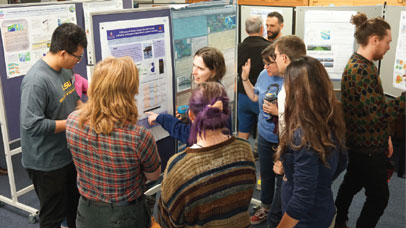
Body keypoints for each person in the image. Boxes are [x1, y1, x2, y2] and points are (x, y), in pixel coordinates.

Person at [66, 56, 161, 228]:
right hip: (125, 216)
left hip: (87, 213)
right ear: (129, 91)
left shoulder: (72, 121)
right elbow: (153, 175)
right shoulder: (138, 136)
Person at [334, 13, 406, 228]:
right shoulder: (360, 71)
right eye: (387, 41)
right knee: (378, 198)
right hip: (366, 148)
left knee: (351, 185)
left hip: (367, 143)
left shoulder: (364, 65)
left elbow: (372, 112)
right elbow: (380, 112)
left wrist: (386, 138)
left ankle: (339, 221)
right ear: (375, 39)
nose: (388, 47)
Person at [158, 82, 256, 228]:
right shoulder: (245, 149)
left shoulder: (179, 167)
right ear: (226, 113)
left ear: (190, 115)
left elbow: (167, 221)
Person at [20, 23, 87, 228]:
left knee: (74, 208)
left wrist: (86, 111)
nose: (78, 61)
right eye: (77, 57)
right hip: (46, 163)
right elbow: (31, 124)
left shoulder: (65, 70)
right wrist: (72, 123)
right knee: (52, 217)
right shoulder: (36, 81)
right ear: (63, 52)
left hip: (67, 154)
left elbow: (74, 100)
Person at [274, 56, 347, 228]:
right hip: (324, 208)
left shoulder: (302, 134)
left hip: (305, 221)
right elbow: (342, 161)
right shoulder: (331, 118)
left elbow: (302, 197)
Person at [146, 47, 228, 144]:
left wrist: (163, 119)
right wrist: (187, 117)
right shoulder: (217, 90)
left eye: (200, 68)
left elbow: (189, 135)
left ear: (213, 72)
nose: (194, 72)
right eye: (194, 66)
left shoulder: (210, 98)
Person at [241, 44, 283, 227]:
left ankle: (281, 212)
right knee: (266, 175)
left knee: (283, 179)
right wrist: (244, 79)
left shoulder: (293, 79)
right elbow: (255, 97)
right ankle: (266, 207)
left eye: (269, 63)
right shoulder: (264, 75)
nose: (266, 67)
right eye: (264, 64)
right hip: (265, 136)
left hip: (284, 138)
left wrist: (278, 111)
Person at [237, 15, 271, 140]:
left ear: (246, 30)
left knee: (242, 132)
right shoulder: (270, 48)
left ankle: (241, 157)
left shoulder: (238, 48)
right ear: (262, 29)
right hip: (263, 96)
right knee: (263, 130)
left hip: (242, 96)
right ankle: (259, 153)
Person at [272, 35, 306, 133]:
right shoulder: (307, 81)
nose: (275, 60)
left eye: (276, 56)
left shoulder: (290, 90)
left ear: (284, 58)